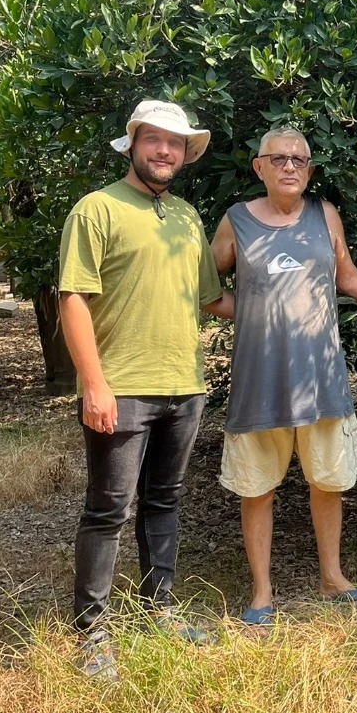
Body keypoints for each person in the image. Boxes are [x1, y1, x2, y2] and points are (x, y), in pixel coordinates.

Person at [211, 128, 357, 626]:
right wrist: (255, 314)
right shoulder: (235, 223)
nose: (290, 166)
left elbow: (349, 279)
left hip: (321, 380)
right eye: (279, 158)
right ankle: (261, 593)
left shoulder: (325, 215)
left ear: (310, 169)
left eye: (299, 159)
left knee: (327, 482)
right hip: (260, 382)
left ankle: (332, 577)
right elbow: (206, 292)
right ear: (259, 167)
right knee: (257, 489)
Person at [59, 99, 233, 680]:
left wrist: (288, 299)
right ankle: (91, 633)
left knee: (165, 501)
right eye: (154, 140)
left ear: (185, 154)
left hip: (185, 385)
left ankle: (157, 612)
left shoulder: (186, 216)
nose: (165, 151)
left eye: (176, 143)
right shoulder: (97, 209)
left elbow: (212, 300)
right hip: (122, 387)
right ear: (133, 144)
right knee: (108, 509)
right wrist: (94, 385)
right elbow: (74, 299)